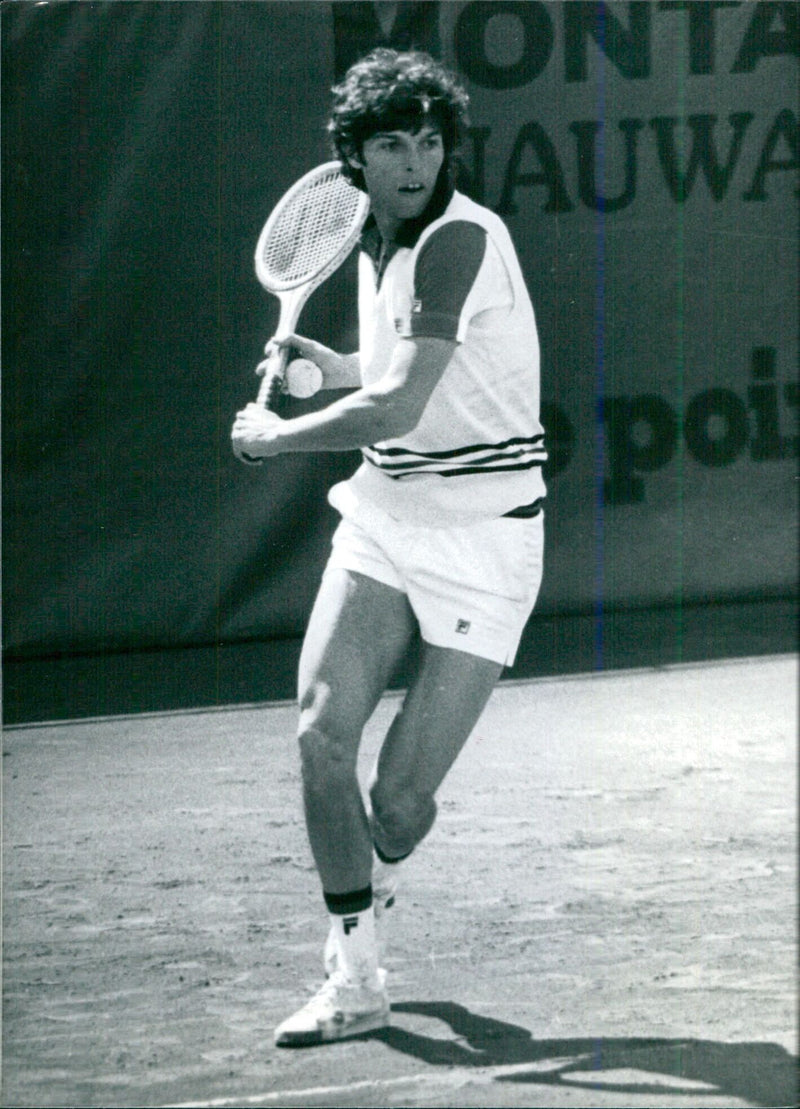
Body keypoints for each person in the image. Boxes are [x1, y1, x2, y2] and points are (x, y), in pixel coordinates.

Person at [231, 48, 547, 1048]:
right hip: (384, 515)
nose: (414, 162)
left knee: (397, 807)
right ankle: (356, 967)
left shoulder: (458, 239)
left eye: (427, 141)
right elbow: (390, 369)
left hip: (486, 539)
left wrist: (276, 435)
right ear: (355, 160)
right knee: (320, 732)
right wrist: (329, 367)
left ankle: (372, 880)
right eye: (390, 145)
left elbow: (404, 402)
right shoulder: (376, 239)